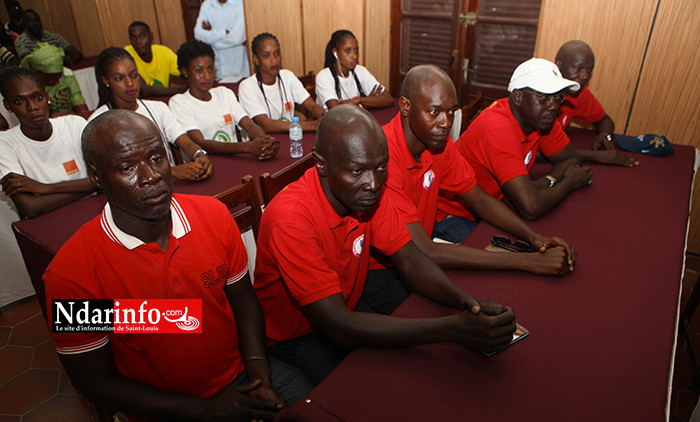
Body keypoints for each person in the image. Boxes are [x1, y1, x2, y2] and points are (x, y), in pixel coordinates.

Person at [44, 110, 313, 421]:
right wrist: (204, 410)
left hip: (241, 375)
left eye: (157, 157)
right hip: (162, 408)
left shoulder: (214, 216)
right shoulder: (70, 274)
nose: (151, 176)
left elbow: (243, 301)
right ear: (96, 176)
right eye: (127, 167)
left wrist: (260, 378)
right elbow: (94, 382)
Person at [254, 105, 517, 385]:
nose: (373, 184)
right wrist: (454, 329)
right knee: (362, 392)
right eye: (357, 171)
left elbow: (411, 259)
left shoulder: (365, 195)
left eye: (381, 168)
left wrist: (468, 303)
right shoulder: (292, 219)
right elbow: (338, 325)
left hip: (346, 309)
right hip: (296, 336)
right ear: (321, 164)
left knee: (417, 373)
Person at [379, 64, 575, 275]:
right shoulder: (384, 158)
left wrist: (535, 238)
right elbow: (424, 251)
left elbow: (479, 199)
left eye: (451, 112)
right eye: (435, 112)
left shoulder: (438, 144)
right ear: (405, 106)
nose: (446, 123)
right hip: (387, 267)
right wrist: (528, 262)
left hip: (422, 245)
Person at [440, 58, 629, 222]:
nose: (553, 105)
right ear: (518, 96)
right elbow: (531, 208)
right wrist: (569, 183)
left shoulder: (540, 118)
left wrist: (547, 181)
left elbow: (570, 158)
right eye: (544, 97)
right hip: (457, 217)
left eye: (558, 98)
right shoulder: (497, 128)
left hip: (496, 205)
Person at [89, 47, 213, 182]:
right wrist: (172, 171)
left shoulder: (158, 108)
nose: (130, 83)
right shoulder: (98, 122)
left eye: (134, 75)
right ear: (106, 81)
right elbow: (112, 173)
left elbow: (186, 142)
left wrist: (200, 155)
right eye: (119, 78)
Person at [0, 67, 94, 218]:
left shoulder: (74, 125)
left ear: (47, 97)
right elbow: (29, 207)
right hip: (50, 225)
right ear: (8, 106)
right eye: (19, 101)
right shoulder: (5, 143)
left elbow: (106, 178)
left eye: (37, 97)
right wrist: (91, 186)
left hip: (94, 213)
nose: (33, 107)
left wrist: (45, 188)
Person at [170, 40, 279, 160]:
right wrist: (246, 147)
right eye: (199, 71)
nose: (207, 76)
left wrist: (264, 141)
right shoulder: (179, 103)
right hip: (207, 165)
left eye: (210, 69)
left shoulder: (224, 93)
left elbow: (249, 125)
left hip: (234, 161)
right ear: (185, 72)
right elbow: (201, 143)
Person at [238, 32, 325, 133]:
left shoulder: (287, 76)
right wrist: (312, 125)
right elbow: (265, 124)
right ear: (256, 59)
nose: (274, 60)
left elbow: (312, 106)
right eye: (266, 56)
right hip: (265, 144)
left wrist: (325, 117)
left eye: (277, 53)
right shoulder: (247, 87)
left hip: (291, 137)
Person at [554, 40, 616, 151]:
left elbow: (604, 120)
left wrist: (604, 137)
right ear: (558, 65)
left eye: (589, 70)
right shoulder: (538, 95)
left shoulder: (576, 91)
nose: (585, 76)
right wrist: (595, 156)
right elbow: (539, 149)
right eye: (579, 69)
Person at [315, 29, 393, 110]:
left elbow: (389, 99)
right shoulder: (324, 76)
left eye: (356, 50)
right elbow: (336, 111)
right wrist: (368, 102)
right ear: (336, 53)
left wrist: (359, 100)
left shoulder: (360, 71)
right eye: (347, 51)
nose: (355, 56)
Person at [20, 42, 88, 117]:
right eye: (50, 77)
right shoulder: (31, 82)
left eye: (58, 76)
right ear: (38, 72)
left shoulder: (67, 75)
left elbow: (78, 102)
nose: (54, 80)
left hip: (71, 119)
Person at [194, 0, 250, 80]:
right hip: (216, 74)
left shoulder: (240, 4)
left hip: (239, 72)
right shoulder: (207, 4)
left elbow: (237, 38)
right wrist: (224, 33)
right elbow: (198, 35)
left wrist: (212, 39)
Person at [125, 20, 186, 92]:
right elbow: (145, 90)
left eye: (142, 36)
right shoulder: (127, 55)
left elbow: (185, 72)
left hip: (163, 99)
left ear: (151, 37)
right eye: (134, 38)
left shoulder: (163, 52)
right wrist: (185, 89)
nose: (138, 41)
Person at [14, 9, 83, 65]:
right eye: (31, 21)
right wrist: (60, 60)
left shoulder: (53, 36)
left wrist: (71, 59)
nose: (35, 24)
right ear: (25, 24)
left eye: (37, 20)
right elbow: (30, 61)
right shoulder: (21, 41)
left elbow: (75, 51)